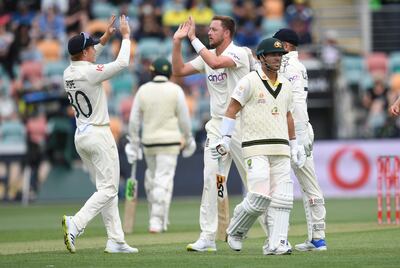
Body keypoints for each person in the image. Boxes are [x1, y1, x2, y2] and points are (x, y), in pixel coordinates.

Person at [210, 37, 304, 255]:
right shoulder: (249, 81)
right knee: (260, 195)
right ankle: (236, 230)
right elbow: (231, 109)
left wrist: (295, 144)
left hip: (280, 147)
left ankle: (277, 243)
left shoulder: (286, 84)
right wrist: (225, 137)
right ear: (261, 57)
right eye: (272, 54)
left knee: (284, 198)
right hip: (255, 146)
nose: (277, 59)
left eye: (280, 55)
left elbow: (288, 116)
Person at [172, 15, 254, 251]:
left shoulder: (239, 53)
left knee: (254, 181)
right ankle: (208, 237)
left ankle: (274, 235)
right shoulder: (205, 57)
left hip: (241, 123)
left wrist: (193, 39)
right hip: (217, 125)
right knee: (211, 180)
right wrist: (177, 42)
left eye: (213, 29)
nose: (209, 33)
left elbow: (217, 63)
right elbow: (178, 70)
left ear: (226, 33)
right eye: (208, 29)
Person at [61, 15, 138, 254]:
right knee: (108, 190)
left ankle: (115, 240)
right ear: (85, 53)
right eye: (92, 47)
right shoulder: (90, 72)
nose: (95, 49)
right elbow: (122, 63)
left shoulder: (68, 72)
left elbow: (87, 62)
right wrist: (125, 36)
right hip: (99, 135)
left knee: (106, 190)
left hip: (82, 137)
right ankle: (76, 223)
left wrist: (103, 40)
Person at [125, 57, 196, 233]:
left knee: (153, 178)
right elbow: (184, 119)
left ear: (152, 72)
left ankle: (160, 218)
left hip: (149, 142)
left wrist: (133, 142)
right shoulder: (176, 90)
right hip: (170, 142)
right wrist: (188, 138)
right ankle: (156, 220)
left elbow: (134, 120)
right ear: (169, 73)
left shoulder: (143, 90)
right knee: (162, 180)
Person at [272, 28, 327, 251]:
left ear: (286, 46)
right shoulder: (298, 66)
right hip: (301, 129)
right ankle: (317, 237)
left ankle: (280, 238)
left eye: (276, 46)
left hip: (292, 132)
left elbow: (291, 105)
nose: (272, 50)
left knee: (282, 185)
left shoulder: (288, 66)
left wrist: (297, 137)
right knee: (309, 185)